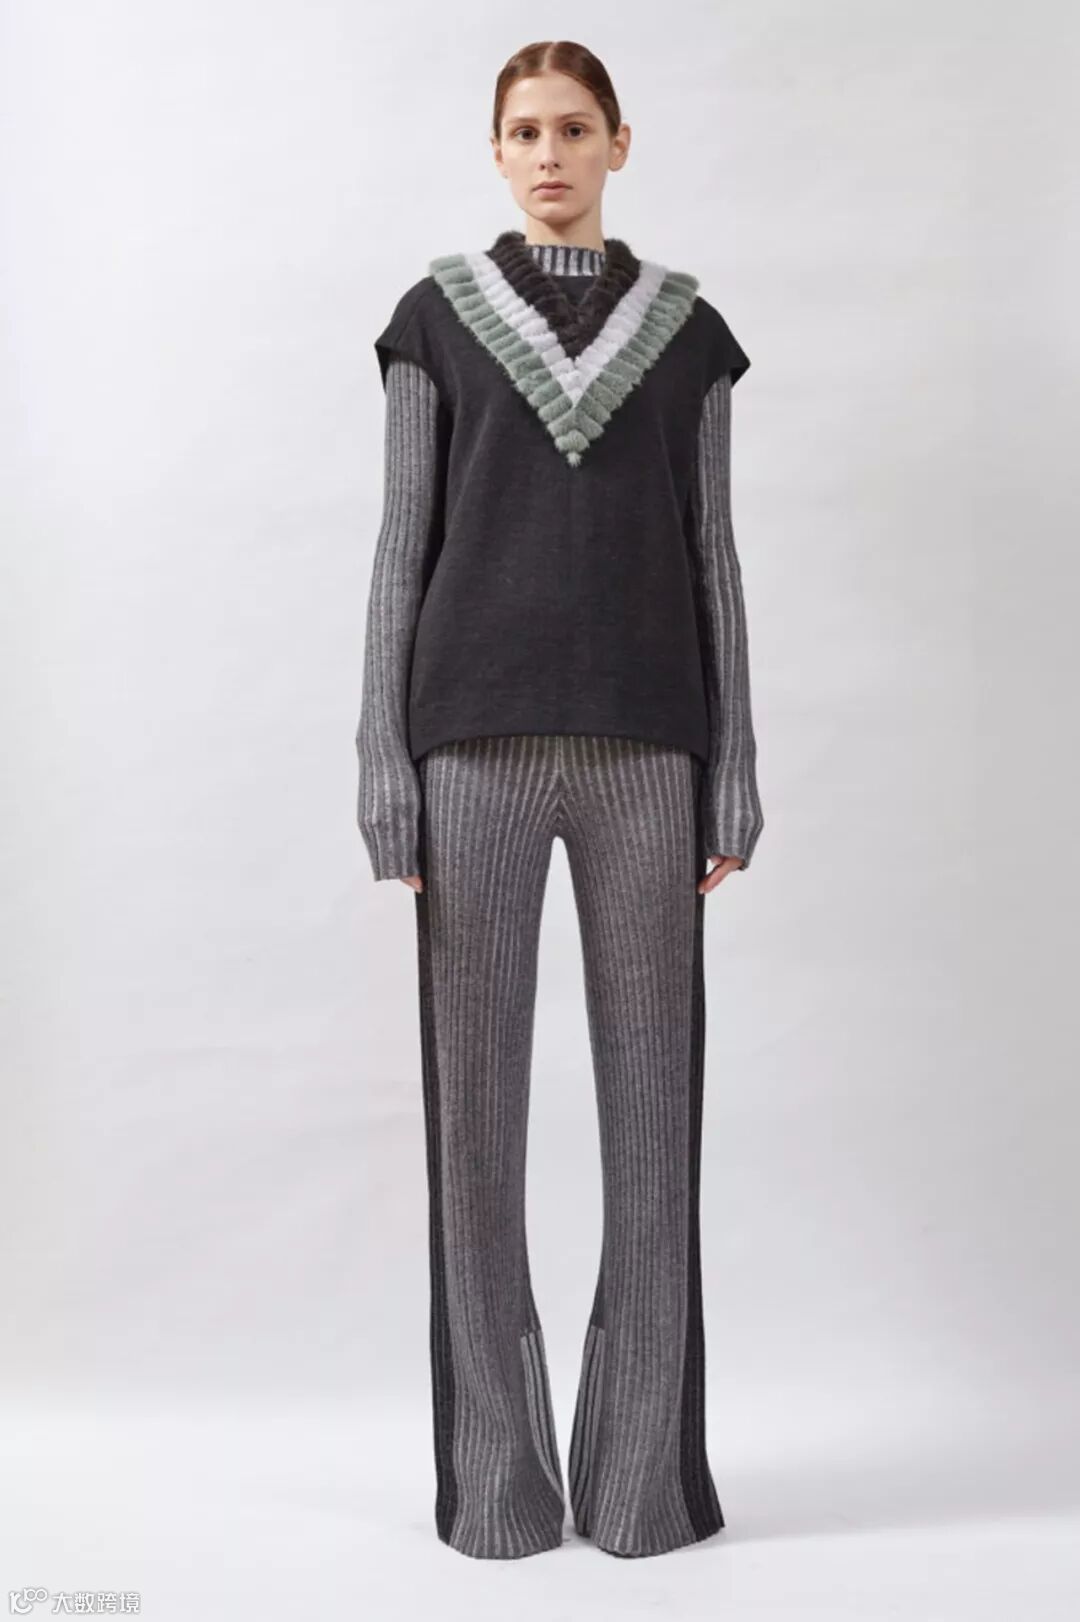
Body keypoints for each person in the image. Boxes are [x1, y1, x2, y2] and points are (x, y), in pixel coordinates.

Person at [354, 38, 764, 1561]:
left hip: (650, 751)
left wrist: (736, 761)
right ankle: (500, 1487)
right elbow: (400, 542)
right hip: (469, 748)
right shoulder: (436, 320)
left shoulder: (688, 336)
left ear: (618, 145)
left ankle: (643, 1485)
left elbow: (713, 552)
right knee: (476, 1134)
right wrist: (381, 757)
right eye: (525, 130)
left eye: (574, 129)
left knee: (653, 1127)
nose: (549, 154)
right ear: (496, 148)